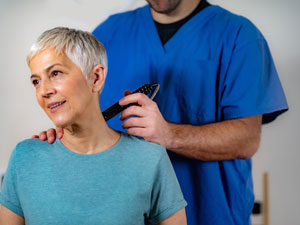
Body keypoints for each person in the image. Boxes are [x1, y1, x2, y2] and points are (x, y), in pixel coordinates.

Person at [36, 0, 289, 224]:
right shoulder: (109, 33)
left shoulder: (238, 36)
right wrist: (63, 136)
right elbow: (80, 114)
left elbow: (246, 139)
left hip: (208, 213)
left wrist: (169, 135)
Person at [0, 27, 187, 225]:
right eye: (36, 81)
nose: (43, 90)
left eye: (55, 73)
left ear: (96, 78)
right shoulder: (25, 158)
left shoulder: (150, 160)